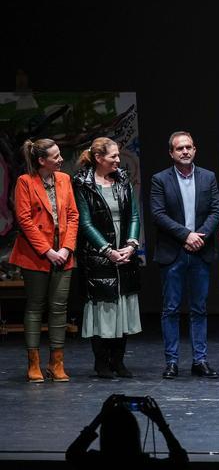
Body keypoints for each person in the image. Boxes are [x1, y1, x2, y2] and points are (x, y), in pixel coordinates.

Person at [150, 131, 219, 380]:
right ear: (171, 152)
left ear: (195, 150)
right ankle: (172, 361)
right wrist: (186, 236)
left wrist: (199, 236)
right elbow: (158, 214)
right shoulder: (160, 179)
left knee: (199, 309)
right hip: (173, 252)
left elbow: (215, 210)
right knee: (170, 309)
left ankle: (199, 360)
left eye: (189, 147)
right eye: (179, 148)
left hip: (200, 251)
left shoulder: (208, 177)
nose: (185, 151)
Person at [11, 138, 79, 382]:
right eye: (56, 156)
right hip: (36, 255)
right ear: (42, 160)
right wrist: (48, 251)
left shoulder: (64, 180)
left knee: (59, 308)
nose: (61, 159)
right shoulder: (25, 182)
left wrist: (67, 248)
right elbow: (25, 220)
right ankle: (34, 362)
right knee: (35, 306)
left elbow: (73, 215)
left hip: (63, 254)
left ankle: (56, 362)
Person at [74, 137, 142, 379]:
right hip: (98, 255)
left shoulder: (122, 179)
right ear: (99, 158)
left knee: (122, 307)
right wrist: (107, 251)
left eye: (118, 155)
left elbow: (133, 216)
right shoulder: (83, 183)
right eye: (113, 156)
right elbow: (85, 222)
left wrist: (131, 245)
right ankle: (101, 363)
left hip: (124, 253)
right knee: (102, 309)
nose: (117, 160)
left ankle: (119, 362)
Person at [66, 394, 188, 469]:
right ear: (134, 435)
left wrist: (101, 417)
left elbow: (72, 454)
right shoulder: (145, 465)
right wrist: (161, 424)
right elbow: (181, 461)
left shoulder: (96, 463)